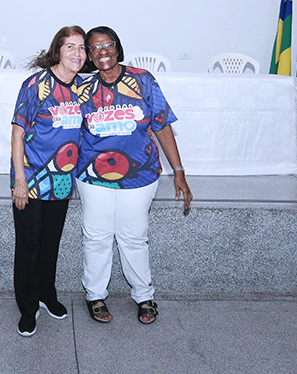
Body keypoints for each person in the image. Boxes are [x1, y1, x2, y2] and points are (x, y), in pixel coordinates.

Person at [77, 26, 191, 325]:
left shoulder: (143, 80)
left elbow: (162, 125)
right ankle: (95, 295)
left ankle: (144, 295)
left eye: (107, 45)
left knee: (134, 236)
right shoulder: (82, 88)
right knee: (97, 236)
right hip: (93, 174)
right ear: (89, 55)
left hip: (140, 174)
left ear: (118, 47)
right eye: (94, 48)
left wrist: (178, 171)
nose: (102, 52)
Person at [10, 26, 87, 337]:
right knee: (28, 245)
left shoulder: (82, 88)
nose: (77, 53)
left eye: (82, 47)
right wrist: (19, 181)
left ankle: (46, 294)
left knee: (50, 243)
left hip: (62, 181)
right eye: (70, 46)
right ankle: (27, 307)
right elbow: (17, 133)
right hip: (31, 180)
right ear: (57, 51)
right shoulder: (36, 84)